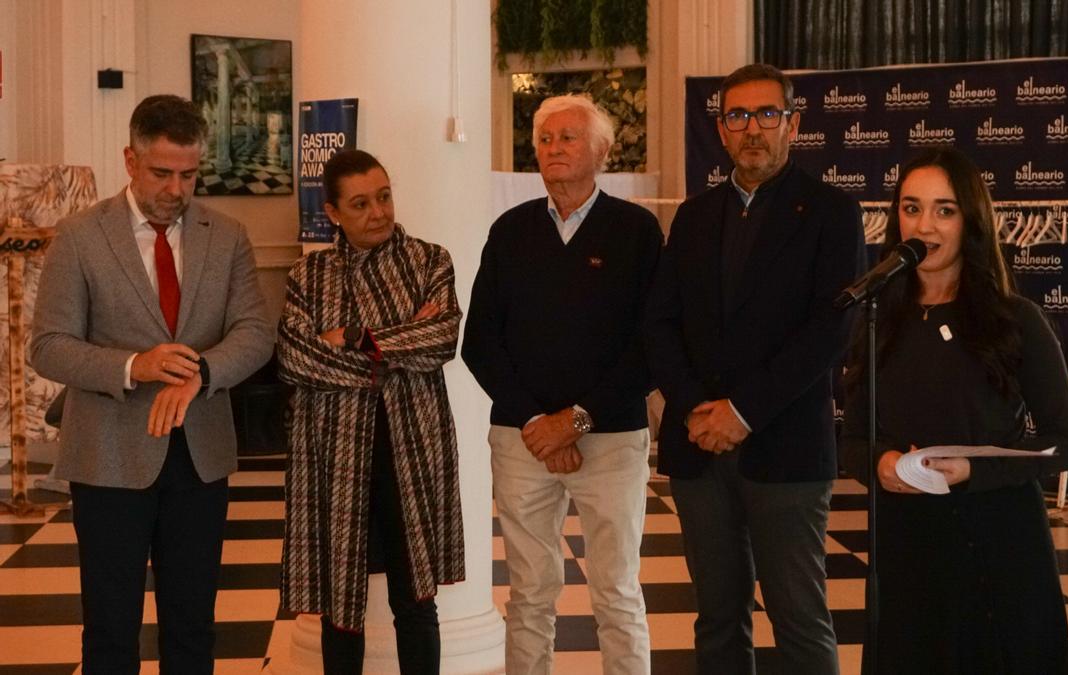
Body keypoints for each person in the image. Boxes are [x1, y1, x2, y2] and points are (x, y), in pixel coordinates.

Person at [30, 94, 274, 672]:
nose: (176, 189)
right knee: (111, 632)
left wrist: (203, 374)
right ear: (130, 161)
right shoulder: (81, 236)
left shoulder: (228, 235)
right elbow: (49, 346)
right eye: (162, 173)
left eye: (190, 174)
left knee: (192, 629)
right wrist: (133, 366)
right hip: (108, 455)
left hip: (200, 455)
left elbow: (254, 332)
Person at [644, 63, 866, 674]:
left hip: (786, 449)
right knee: (717, 619)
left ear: (793, 123)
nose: (752, 129)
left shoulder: (831, 213)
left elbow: (831, 330)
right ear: (720, 130)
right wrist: (694, 408)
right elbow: (659, 325)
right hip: (697, 448)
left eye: (767, 114)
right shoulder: (693, 217)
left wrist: (743, 413)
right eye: (738, 116)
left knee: (798, 619)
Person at [840, 146, 1068, 674]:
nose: (925, 225)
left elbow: (1064, 441)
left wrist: (976, 470)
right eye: (911, 207)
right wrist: (878, 464)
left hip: (1000, 542)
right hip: (907, 546)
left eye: (944, 210)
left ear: (970, 218)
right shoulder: (876, 322)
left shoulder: (1016, 320)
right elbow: (851, 440)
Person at [462, 94, 662, 675]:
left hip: (611, 437)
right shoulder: (510, 229)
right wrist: (535, 422)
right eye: (545, 139)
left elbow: (650, 346)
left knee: (617, 592)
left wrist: (573, 421)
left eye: (568, 138)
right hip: (523, 440)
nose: (553, 148)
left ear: (600, 150)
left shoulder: (636, 230)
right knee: (528, 594)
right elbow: (481, 342)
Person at [276, 149, 464, 675]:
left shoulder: (430, 260)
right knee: (342, 605)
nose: (379, 212)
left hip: (412, 450)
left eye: (384, 196)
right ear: (333, 213)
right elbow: (295, 359)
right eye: (360, 204)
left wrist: (356, 337)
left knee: (416, 597)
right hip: (335, 457)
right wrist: (391, 354)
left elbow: (441, 338)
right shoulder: (307, 276)